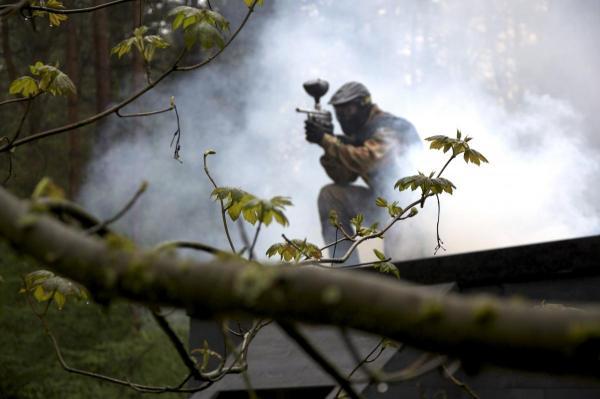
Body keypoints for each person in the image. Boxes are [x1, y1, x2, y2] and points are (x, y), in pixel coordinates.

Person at [304, 81, 420, 264]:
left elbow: (368, 160)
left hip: (412, 211)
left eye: (347, 110)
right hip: (383, 205)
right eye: (338, 112)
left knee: (400, 270)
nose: (342, 117)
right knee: (330, 195)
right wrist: (329, 144)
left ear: (363, 104)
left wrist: (327, 141)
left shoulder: (389, 127)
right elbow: (343, 176)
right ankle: (345, 269)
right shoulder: (361, 134)